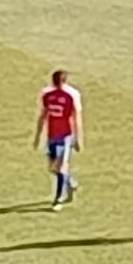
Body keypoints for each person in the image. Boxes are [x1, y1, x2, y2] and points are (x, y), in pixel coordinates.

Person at [32, 69, 82, 211]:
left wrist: (77, 139)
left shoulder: (72, 95)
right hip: (52, 136)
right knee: (53, 168)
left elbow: (76, 117)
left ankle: (58, 198)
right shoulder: (47, 95)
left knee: (60, 167)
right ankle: (70, 182)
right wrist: (38, 136)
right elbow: (43, 115)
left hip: (66, 135)